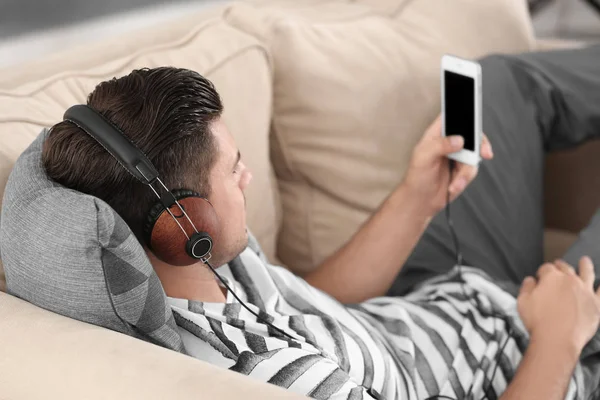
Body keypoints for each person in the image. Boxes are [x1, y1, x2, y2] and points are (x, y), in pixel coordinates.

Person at [41, 45, 600, 399]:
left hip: (439, 300)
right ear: (183, 223)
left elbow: (317, 303)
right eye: (234, 171)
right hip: (532, 350)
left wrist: (417, 197)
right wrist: (559, 336)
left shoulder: (202, 259)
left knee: (498, 80)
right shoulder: (268, 378)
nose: (248, 179)